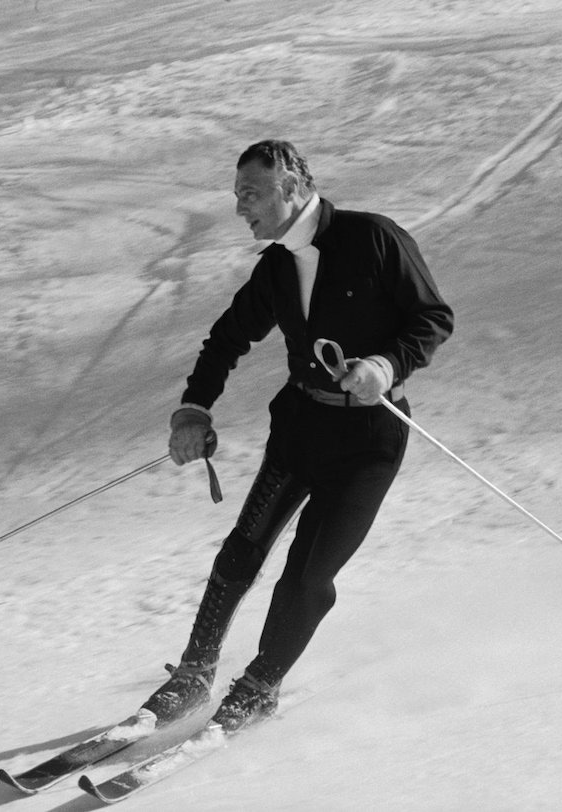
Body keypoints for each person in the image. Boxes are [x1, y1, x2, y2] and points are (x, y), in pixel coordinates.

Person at [143, 140, 454, 733]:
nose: (241, 208)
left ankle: (259, 687)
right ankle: (193, 673)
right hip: (300, 429)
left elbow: (432, 317)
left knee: (308, 576)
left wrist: (386, 366)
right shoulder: (277, 266)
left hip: (369, 441)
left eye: (250, 194)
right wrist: (193, 412)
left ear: (291, 186)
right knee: (241, 550)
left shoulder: (374, 238)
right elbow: (225, 339)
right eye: (237, 195)